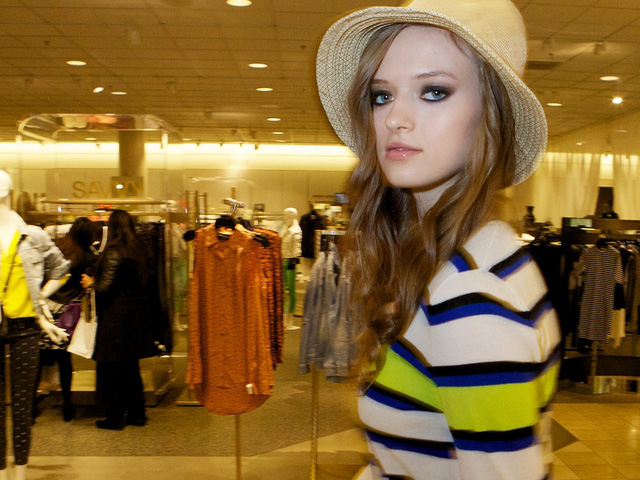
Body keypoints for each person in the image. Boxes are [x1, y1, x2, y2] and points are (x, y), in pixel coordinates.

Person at [316, 1, 561, 479]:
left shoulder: (471, 296)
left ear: (490, 116)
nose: (395, 118)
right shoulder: (472, 257)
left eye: (433, 91)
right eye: (382, 95)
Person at [0, 170, 69, 480]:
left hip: (26, 326)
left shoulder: (32, 235)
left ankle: (21, 471)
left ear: (5, 192)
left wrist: (40, 298)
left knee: (23, 403)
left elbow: (62, 269)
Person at [80, 209, 156, 430]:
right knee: (131, 367)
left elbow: (105, 287)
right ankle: (137, 413)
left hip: (116, 317)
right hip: (137, 315)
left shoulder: (114, 251)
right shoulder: (141, 250)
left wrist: (90, 283)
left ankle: (114, 417)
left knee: (111, 369)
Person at [36, 217, 103, 422]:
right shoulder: (87, 256)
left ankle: (30, 406)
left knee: (40, 359)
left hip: (45, 305)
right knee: (64, 360)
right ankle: (68, 405)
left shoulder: (59, 248)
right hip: (64, 310)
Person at [280, 207, 302, 330]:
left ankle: (290, 318)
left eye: (287, 216)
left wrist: (294, 259)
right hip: (282, 261)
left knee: (290, 290)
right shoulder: (284, 229)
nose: (285, 218)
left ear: (292, 217)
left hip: (290, 262)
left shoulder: (296, 231)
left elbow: (297, 248)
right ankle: (283, 318)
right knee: (283, 290)